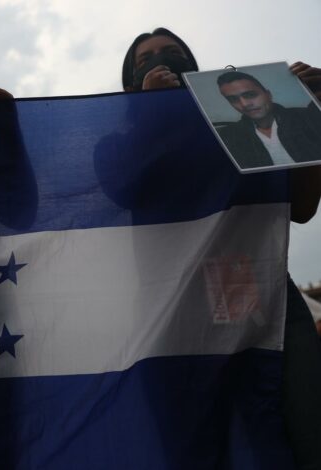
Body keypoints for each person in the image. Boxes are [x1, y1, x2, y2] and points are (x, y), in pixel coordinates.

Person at [119, 28, 321, 469]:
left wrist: (309, 112)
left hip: (264, 296)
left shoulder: (240, 131)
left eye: (173, 53)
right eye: (147, 58)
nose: (161, 59)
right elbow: (124, 190)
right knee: (195, 443)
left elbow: (303, 207)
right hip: (170, 310)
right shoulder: (114, 144)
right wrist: (156, 111)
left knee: (306, 428)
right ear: (130, 87)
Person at [216, 70, 321, 169]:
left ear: (268, 95)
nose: (244, 104)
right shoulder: (228, 135)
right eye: (233, 99)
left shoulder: (308, 116)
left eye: (250, 95)